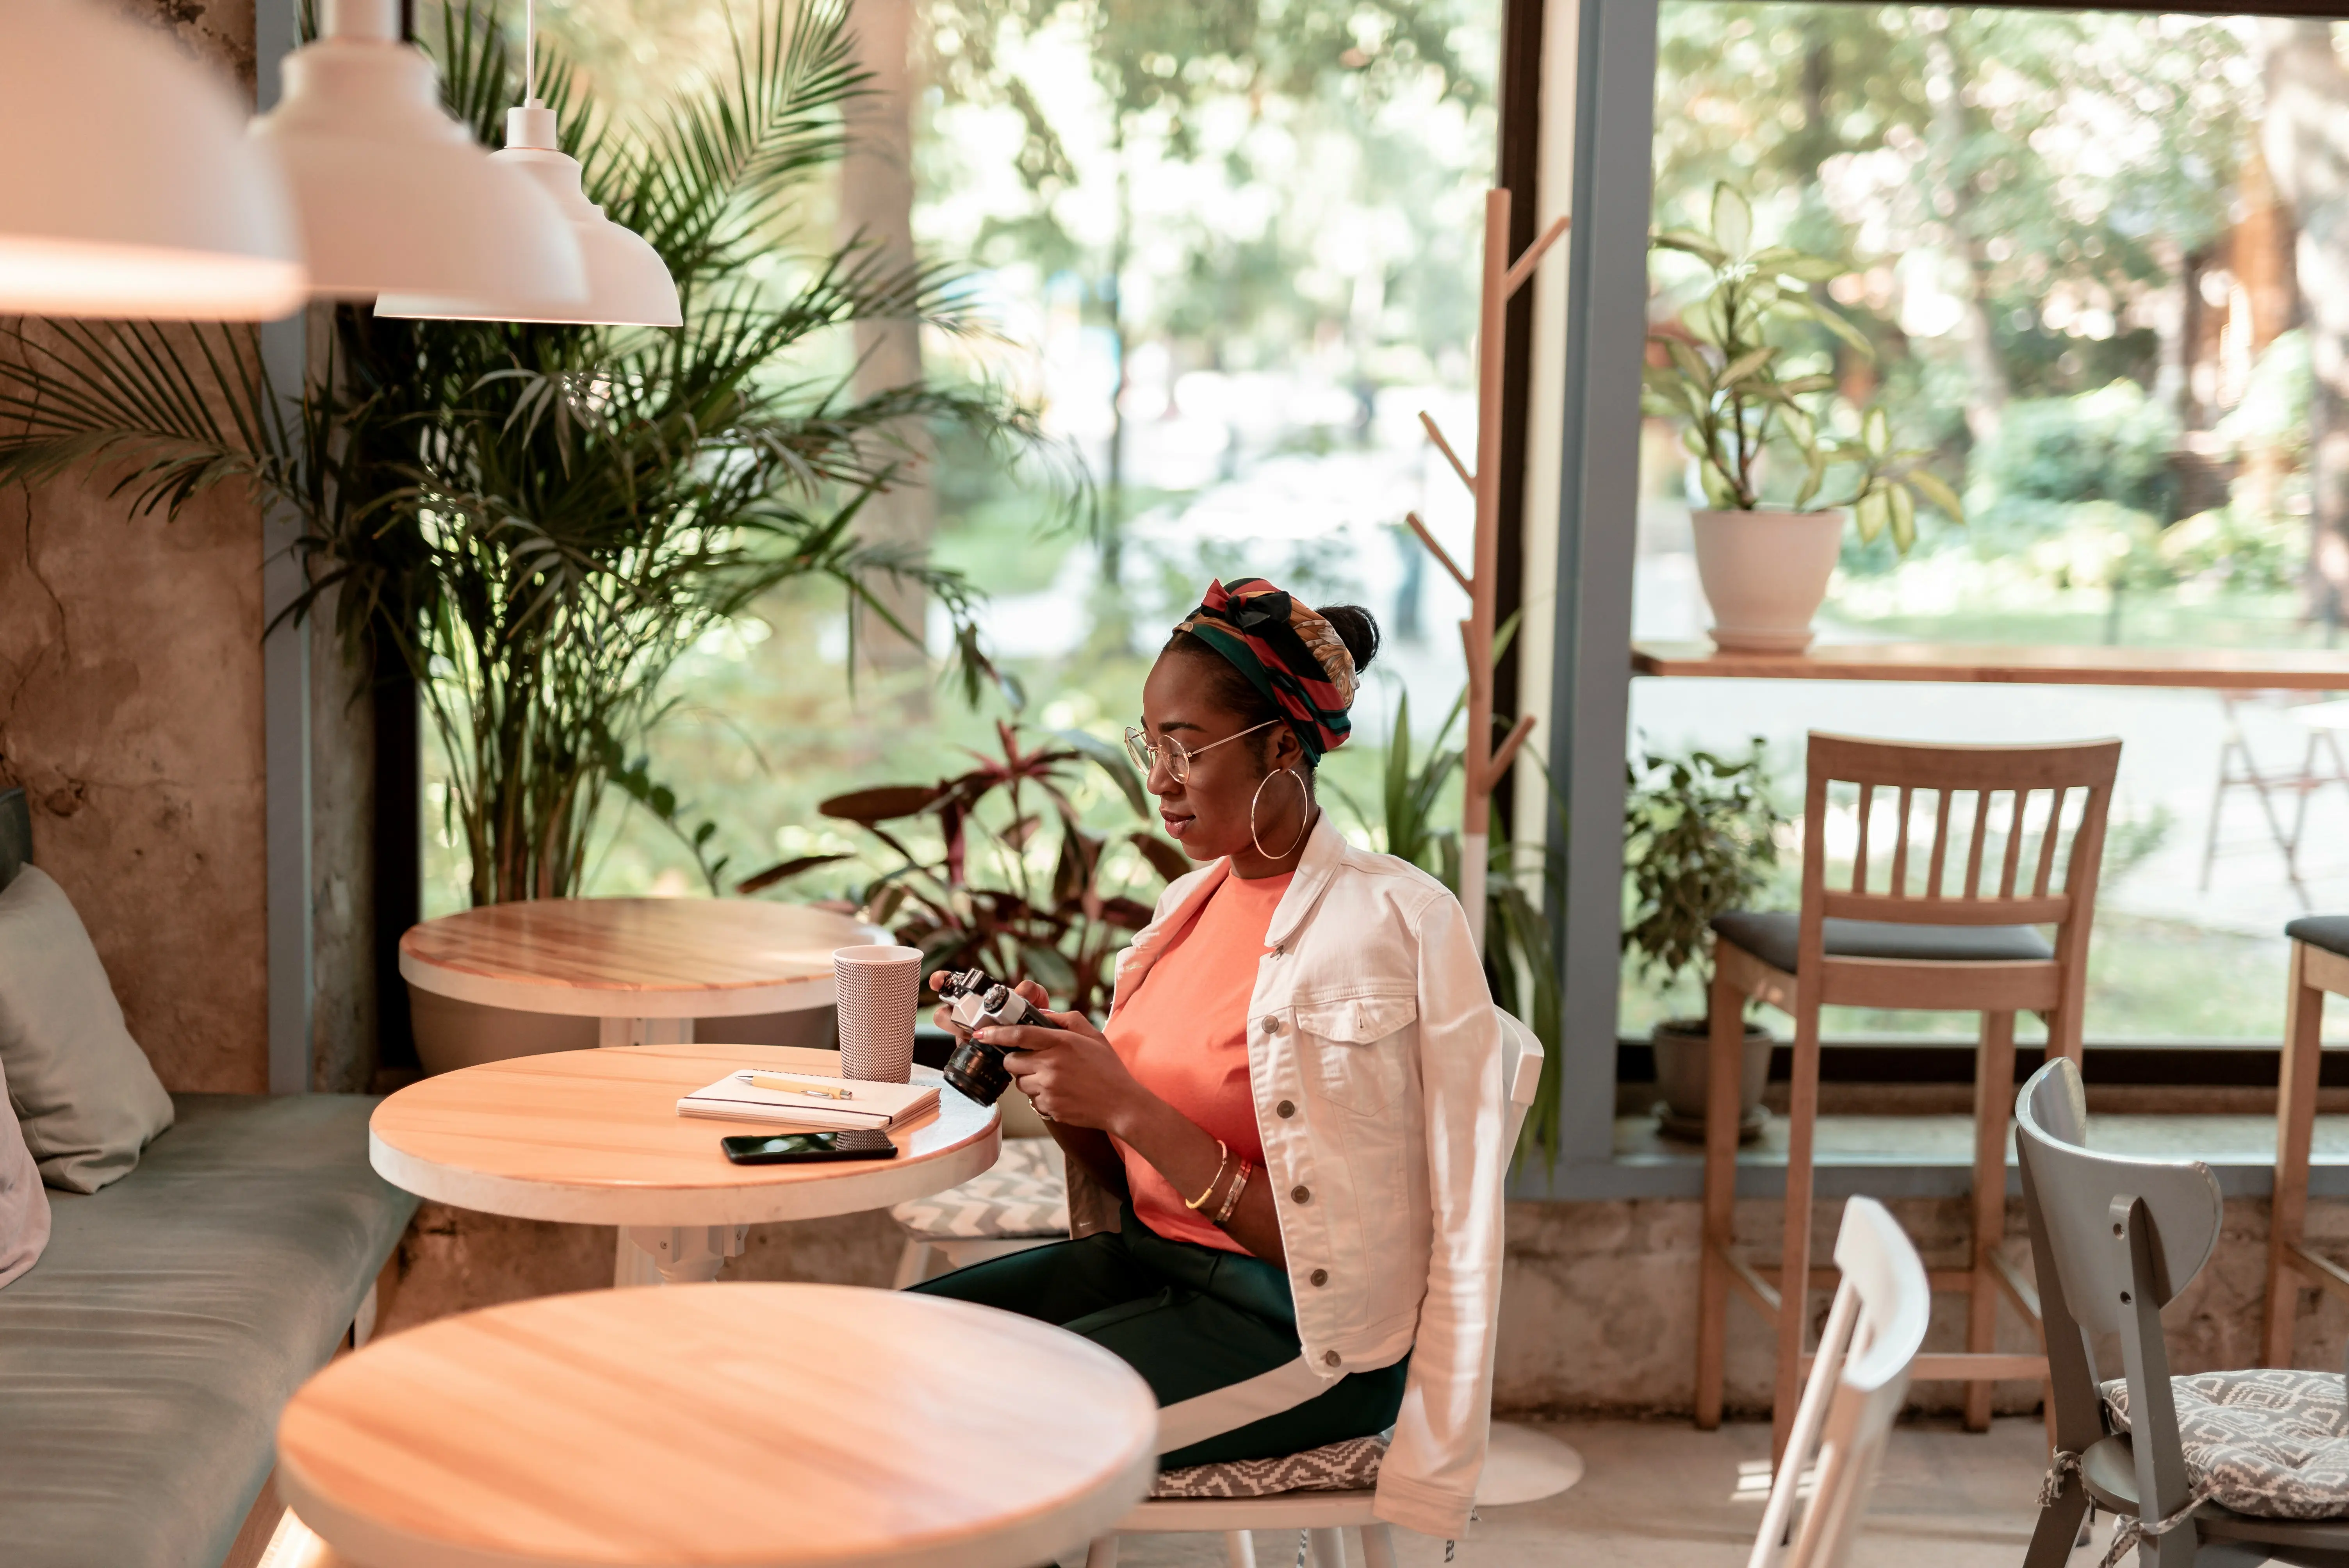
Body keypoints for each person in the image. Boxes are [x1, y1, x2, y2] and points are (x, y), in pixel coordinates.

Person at [911, 576, 1508, 1539]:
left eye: (1186, 748)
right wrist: (1063, 1077)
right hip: (1153, 1269)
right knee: (886, 1358)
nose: (1159, 780)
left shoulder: (1387, 927)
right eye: (1152, 745)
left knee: (981, 1435)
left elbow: (1360, 1265)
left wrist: (1134, 1106)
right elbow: (1133, 1172)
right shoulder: (1180, 914)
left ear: (1282, 747)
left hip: (1299, 1336)